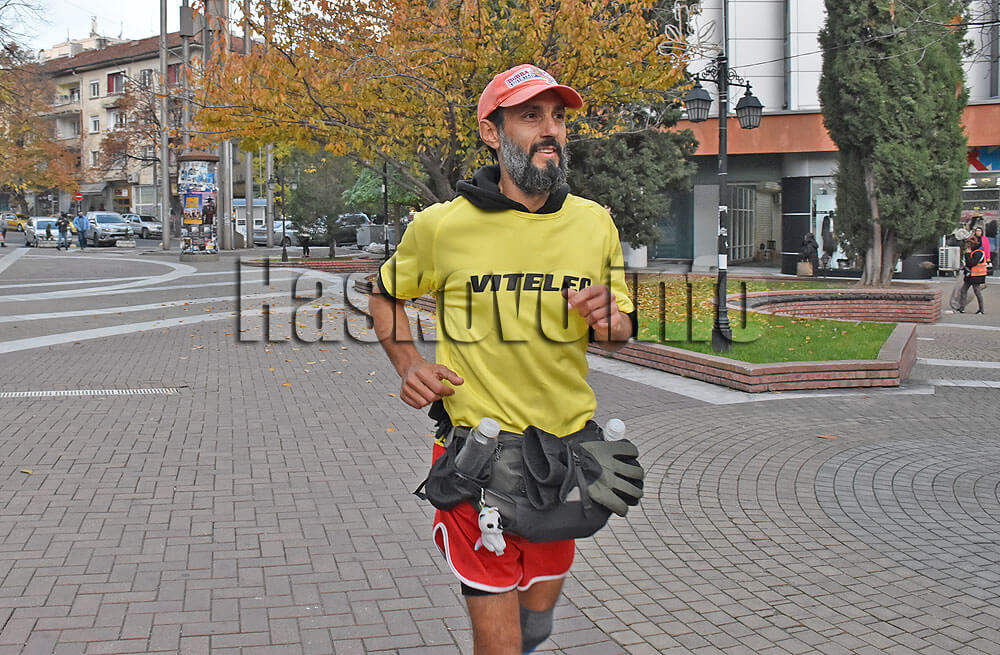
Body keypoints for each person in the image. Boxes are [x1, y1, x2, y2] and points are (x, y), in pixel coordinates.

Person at [370, 64, 636, 655]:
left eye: (558, 117)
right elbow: (384, 294)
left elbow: (618, 332)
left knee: (536, 620)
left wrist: (611, 322)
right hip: (478, 461)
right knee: (501, 643)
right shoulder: (443, 227)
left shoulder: (594, 223)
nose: (550, 129)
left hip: (564, 459)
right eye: (530, 116)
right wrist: (408, 362)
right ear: (492, 133)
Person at [957, 235, 987, 314]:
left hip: (976, 276)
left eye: (968, 245)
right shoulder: (973, 252)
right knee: (963, 290)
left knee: (977, 292)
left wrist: (967, 254)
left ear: (972, 245)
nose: (967, 246)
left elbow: (972, 263)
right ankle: (961, 308)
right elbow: (968, 263)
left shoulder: (978, 253)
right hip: (970, 275)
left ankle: (981, 310)